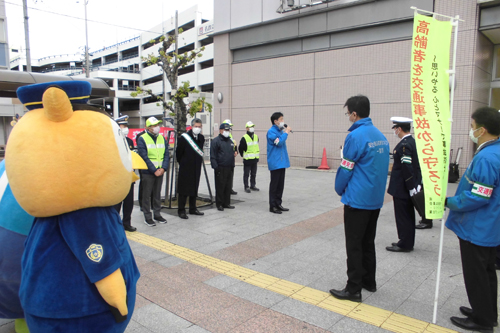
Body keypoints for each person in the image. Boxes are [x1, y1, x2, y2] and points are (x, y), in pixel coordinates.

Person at [330, 95, 390, 302]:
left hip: (357, 199)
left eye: (348, 114)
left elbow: (346, 169)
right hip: (375, 199)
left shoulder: (355, 137)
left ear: (355, 114)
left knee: (354, 244)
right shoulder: (380, 136)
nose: (348, 117)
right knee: (367, 241)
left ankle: (353, 288)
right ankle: (368, 281)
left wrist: (339, 188)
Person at [446, 107, 500, 333]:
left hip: (477, 225)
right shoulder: (495, 150)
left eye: (472, 127)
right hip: (490, 225)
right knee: (487, 272)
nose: (471, 131)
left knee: (476, 274)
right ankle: (487, 312)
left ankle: (482, 321)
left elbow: (480, 195)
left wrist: (450, 202)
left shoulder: (486, 157)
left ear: (482, 130)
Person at [385, 117, 432, 252]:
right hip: (408, 186)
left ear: (399, 129)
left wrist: (411, 186)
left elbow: (407, 167)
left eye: (395, 129)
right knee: (408, 216)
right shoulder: (413, 142)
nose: (395, 131)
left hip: (402, 187)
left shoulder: (404, 145)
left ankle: (405, 243)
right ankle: (406, 241)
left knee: (403, 216)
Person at [137, 116, 169, 226]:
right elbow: (144, 156)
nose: (157, 127)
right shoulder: (142, 138)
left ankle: (157, 214)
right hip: (148, 172)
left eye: (157, 125)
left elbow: (166, 154)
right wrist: (154, 170)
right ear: (148, 127)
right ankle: (147, 216)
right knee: (147, 195)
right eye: (154, 126)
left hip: (160, 171)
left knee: (157, 194)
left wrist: (163, 168)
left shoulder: (162, 138)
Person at [176, 118, 205, 219]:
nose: (198, 128)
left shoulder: (201, 138)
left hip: (196, 167)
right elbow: (178, 153)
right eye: (196, 126)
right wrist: (183, 162)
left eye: (199, 126)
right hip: (185, 167)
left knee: (194, 187)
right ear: (192, 126)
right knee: (184, 189)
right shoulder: (184, 138)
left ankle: (193, 208)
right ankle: (181, 210)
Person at [114, 115, 137, 232]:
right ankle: (115, 225)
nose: (126, 129)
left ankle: (126, 223)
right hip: (118, 177)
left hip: (129, 176)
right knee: (117, 203)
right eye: (123, 126)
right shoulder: (113, 141)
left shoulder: (129, 141)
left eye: (126, 126)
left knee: (129, 203)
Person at [267, 112, 291, 214]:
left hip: (282, 162)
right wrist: (286, 132)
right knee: (274, 184)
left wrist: (284, 133)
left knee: (280, 184)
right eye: (281, 119)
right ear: (275, 121)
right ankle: (272, 206)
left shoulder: (280, 131)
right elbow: (278, 142)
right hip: (275, 162)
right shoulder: (271, 132)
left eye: (283, 119)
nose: (282, 121)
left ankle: (278, 203)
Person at [210, 123, 237, 211]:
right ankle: (219, 204)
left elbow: (232, 152)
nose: (227, 132)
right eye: (226, 130)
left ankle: (227, 203)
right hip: (220, 167)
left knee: (228, 186)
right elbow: (213, 155)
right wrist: (215, 167)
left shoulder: (230, 140)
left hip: (229, 166)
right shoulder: (216, 141)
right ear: (221, 130)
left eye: (228, 130)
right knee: (220, 186)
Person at [239, 121, 260, 193]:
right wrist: (243, 155)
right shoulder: (244, 138)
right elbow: (240, 148)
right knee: (246, 174)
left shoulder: (256, 137)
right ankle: (246, 186)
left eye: (253, 127)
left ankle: (253, 185)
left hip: (254, 159)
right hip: (247, 159)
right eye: (250, 127)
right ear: (247, 128)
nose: (252, 128)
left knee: (253, 173)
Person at [222, 119, 238, 195]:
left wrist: (236, 151)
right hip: (225, 160)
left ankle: (229, 188)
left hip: (231, 158)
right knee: (225, 176)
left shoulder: (230, 136)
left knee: (231, 175)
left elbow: (234, 144)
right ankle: (226, 189)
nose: (230, 129)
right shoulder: (223, 137)